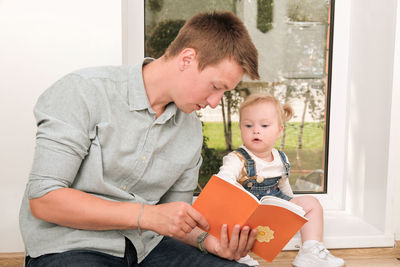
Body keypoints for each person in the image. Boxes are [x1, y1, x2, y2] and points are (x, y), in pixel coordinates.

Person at [19, 11, 261, 267]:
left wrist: (209, 242)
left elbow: (175, 218)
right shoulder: (83, 91)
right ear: (187, 59)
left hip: (147, 249)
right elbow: (44, 199)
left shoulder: (190, 130)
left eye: (224, 92)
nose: (214, 102)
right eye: (215, 87)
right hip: (70, 247)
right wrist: (146, 215)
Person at [217, 93, 345, 267]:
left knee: (312, 204)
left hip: (274, 209)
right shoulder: (237, 158)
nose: (256, 130)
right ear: (241, 128)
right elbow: (223, 182)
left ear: (279, 130)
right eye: (248, 125)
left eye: (264, 125)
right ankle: (238, 254)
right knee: (229, 218)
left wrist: (293, 210)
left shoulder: (280, 158)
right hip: (248, 214)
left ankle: (310, 250)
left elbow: (284, 186)